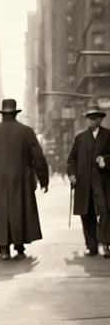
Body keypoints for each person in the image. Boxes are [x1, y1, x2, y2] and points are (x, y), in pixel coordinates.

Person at [0, 98, 49, 260]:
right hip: (21, 177)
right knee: (20, 209)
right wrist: (43, 179)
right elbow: (38, 158)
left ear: (3, 113)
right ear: (15, 113)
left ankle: (4, 249)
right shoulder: (26, 131)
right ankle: (19, 244)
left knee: (1, 211)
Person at [67, 103, 110, 258]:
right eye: (90, 118)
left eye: (96, 118)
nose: (93, 121)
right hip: (84, 183)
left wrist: (106, 160)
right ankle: (91, 246)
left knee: (105, 211)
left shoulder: (108, 135)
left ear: (101, 119)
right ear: (86, 120)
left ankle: (106, 244)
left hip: (103, 182)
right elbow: (71, 159)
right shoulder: (79, 137)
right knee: (87, 213)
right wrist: (72, 175)